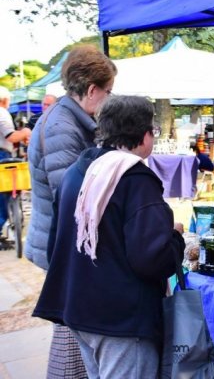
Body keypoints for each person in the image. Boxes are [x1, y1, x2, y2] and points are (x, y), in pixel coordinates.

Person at [33, 95, 185, 378]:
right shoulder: (135, 180)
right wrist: (174, 237)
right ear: (144, 134)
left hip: (79, 307)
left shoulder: (78, 171)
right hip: (119, 319)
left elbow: (55, 243)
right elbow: (152, 259)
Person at [26, 44, 117, 378]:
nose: (110, 97)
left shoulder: (70, 119)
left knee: (73, 328)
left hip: (61, 241)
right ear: (92, 90)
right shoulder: (62, 126)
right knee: (70, 332)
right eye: (108, 91)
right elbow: (73, 196)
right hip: (61, 245)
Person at [0, 86, 32, 249]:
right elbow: (11, 136)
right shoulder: (2, 113)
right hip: (2, 156)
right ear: (5, 100)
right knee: (3, 197)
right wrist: (26, 131)